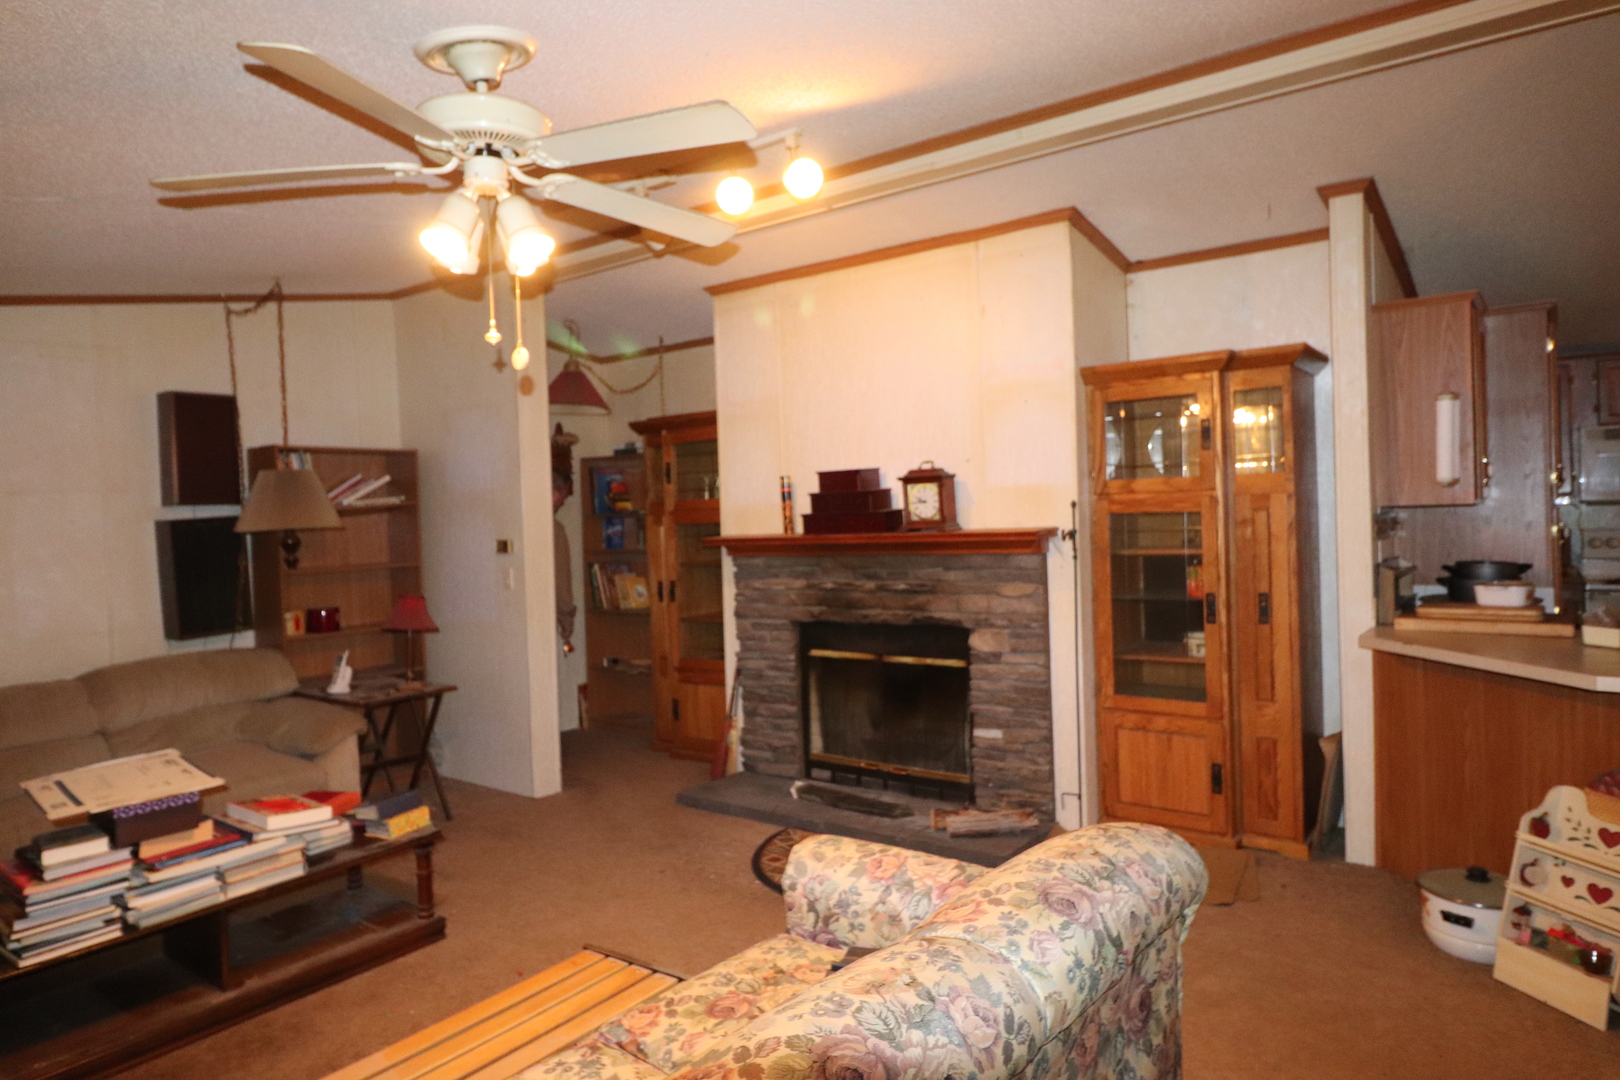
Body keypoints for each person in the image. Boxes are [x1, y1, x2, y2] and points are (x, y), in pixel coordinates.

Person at [551, 424, 579, 655]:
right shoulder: (555, 531)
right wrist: (567, 622)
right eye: (563, 497)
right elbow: (561, 581)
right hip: (549, 622)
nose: (562, 502)